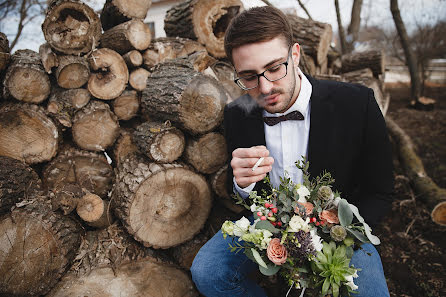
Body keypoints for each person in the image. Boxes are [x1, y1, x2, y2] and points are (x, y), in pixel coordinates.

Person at [191, 6, 394, 297]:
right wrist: (243, 184)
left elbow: (381, 190)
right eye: (248, 77)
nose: (265, 87)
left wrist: (342, 234)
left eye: (275, 68)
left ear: (295, 55)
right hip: (266, 221)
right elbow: (242, 192)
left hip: (340, 228)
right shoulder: (237, 114)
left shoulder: (357, 103)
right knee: (208, 271)